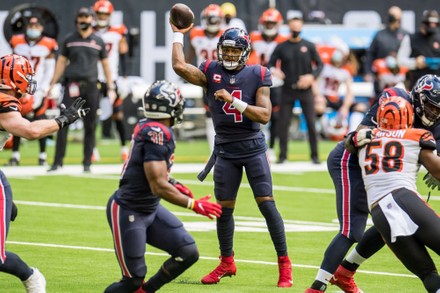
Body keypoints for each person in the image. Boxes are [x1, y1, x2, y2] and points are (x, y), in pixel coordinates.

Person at [171, 20, 292, 287]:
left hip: (252, 148)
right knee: (224, 210)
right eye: (225, 51)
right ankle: (227, 262)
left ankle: (285, 265)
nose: (229, 56)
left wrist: (234, 100)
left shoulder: (258, 74)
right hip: (225, 150)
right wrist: (178, 35)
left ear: (246, 52)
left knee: (267, 205)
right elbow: (179, 66)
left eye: (235, 51)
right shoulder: (211, 70)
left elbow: (264, 115)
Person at [304, 74, 440, 293]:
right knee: (352, 229)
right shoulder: (395, 101)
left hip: (383, 175)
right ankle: (317, 286)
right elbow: (355, 139)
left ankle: (345, 272)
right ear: (418, 98)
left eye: (438, 110)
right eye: (431, 107)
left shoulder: (430, 124)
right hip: (350, 162)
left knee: (391, 215)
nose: (434, 114)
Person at [104, 80, 222, 293]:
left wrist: (174, 182)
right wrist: (192, 204)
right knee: (132, 280)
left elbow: (145, 169)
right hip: (129, 208)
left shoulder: (148, 125)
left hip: (150, 207)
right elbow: (157, 184)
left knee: (187, 252)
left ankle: (146, 292)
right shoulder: (156, 132)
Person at [0, 54, 89, 293]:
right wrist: (63, 119)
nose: (29, 80)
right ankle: (32, 277)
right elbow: (29, 131)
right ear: (13, 76)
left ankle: (31, 278)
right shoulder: (4, 101)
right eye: (25, 74)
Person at [359, 95, 440, 292]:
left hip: (379, 213)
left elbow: (351, 141)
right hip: (403, 200)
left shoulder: (362, 139)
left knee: (427, 273)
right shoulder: (415, 136)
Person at [47, 7, 116, 172]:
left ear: (92, 20)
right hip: (72, 85)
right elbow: (61, 62)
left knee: (91, 125)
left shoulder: (98, 41)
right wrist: (52, 83)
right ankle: (57, 162)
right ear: (77, 20)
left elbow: (106, 65)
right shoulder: (69, 39)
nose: (83, 21)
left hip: (91, 86)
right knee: (63, 121)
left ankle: (87, 163)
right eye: (81, 18)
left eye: (86, 18)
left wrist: (111, 86)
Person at [268, 16, 323, 164]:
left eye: (298, 28)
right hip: (287, 89)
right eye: (293, 28)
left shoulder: (309, 46)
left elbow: (320, 65)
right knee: (283, 123)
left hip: (305, 90)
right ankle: (282, 155)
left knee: (311, 122)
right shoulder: (282, 46)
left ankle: (315, 155)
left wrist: (311, 77)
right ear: (289, 28)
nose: (295, 31)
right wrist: (276, 71)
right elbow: (271, 63)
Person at [8, 16, 58, 166]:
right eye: (31, 25)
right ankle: (15, 155)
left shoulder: (48, 44)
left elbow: (50, 68)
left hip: (37, 87)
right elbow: (11, 63)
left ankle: (42, 156)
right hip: (19, 86)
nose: (33, 29)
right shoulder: (17, 41)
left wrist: (45, 88)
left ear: (42, 28)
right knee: (17, 120)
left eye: (36, 26)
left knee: (40, 119)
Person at [248, 8, 289, 161]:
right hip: (257, 81)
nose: (270, 26)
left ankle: (271, 147)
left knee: (276, 117)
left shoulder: (284, 39)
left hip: (276, 82)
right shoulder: (254, 37)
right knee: (256, 114)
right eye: (267, 23)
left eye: (272, 23)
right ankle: (257, 145)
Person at [93, 0, 130, 162]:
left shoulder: (118, 31)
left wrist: (124, 76)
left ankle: (123, 148)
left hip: (111, 78)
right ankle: (92, 149)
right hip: (93, 77)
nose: (102, 17)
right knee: (91, 115)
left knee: (118, 114)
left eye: (105, 14)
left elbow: (124, 53)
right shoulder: (89, 31)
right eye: (100, 13)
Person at [187, 3, 224, 152]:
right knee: (209, 116)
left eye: (215, 19)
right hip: (205, 80)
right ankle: (213, 151)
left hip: (223, 78)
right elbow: (190, 55)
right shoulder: (196, 34)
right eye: (210, 19)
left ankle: (225, 149)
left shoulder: (225, 34)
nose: (213, 23)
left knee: (224, 114)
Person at [365, 6, 408, 95]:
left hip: (400, 76)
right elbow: (370, 54)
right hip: (382, 77)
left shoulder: (405, 35)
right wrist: (368, 72)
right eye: (395, 17)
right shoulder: (380, 35)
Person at [398, 9, 440, 89]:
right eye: (431, 23)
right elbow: (400, 60)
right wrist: (415, 63)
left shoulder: (438, 38)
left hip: (438, 88)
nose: (433, 26)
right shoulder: (411, 38)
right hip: (417, 87)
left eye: (435, 23)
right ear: (424, 23)